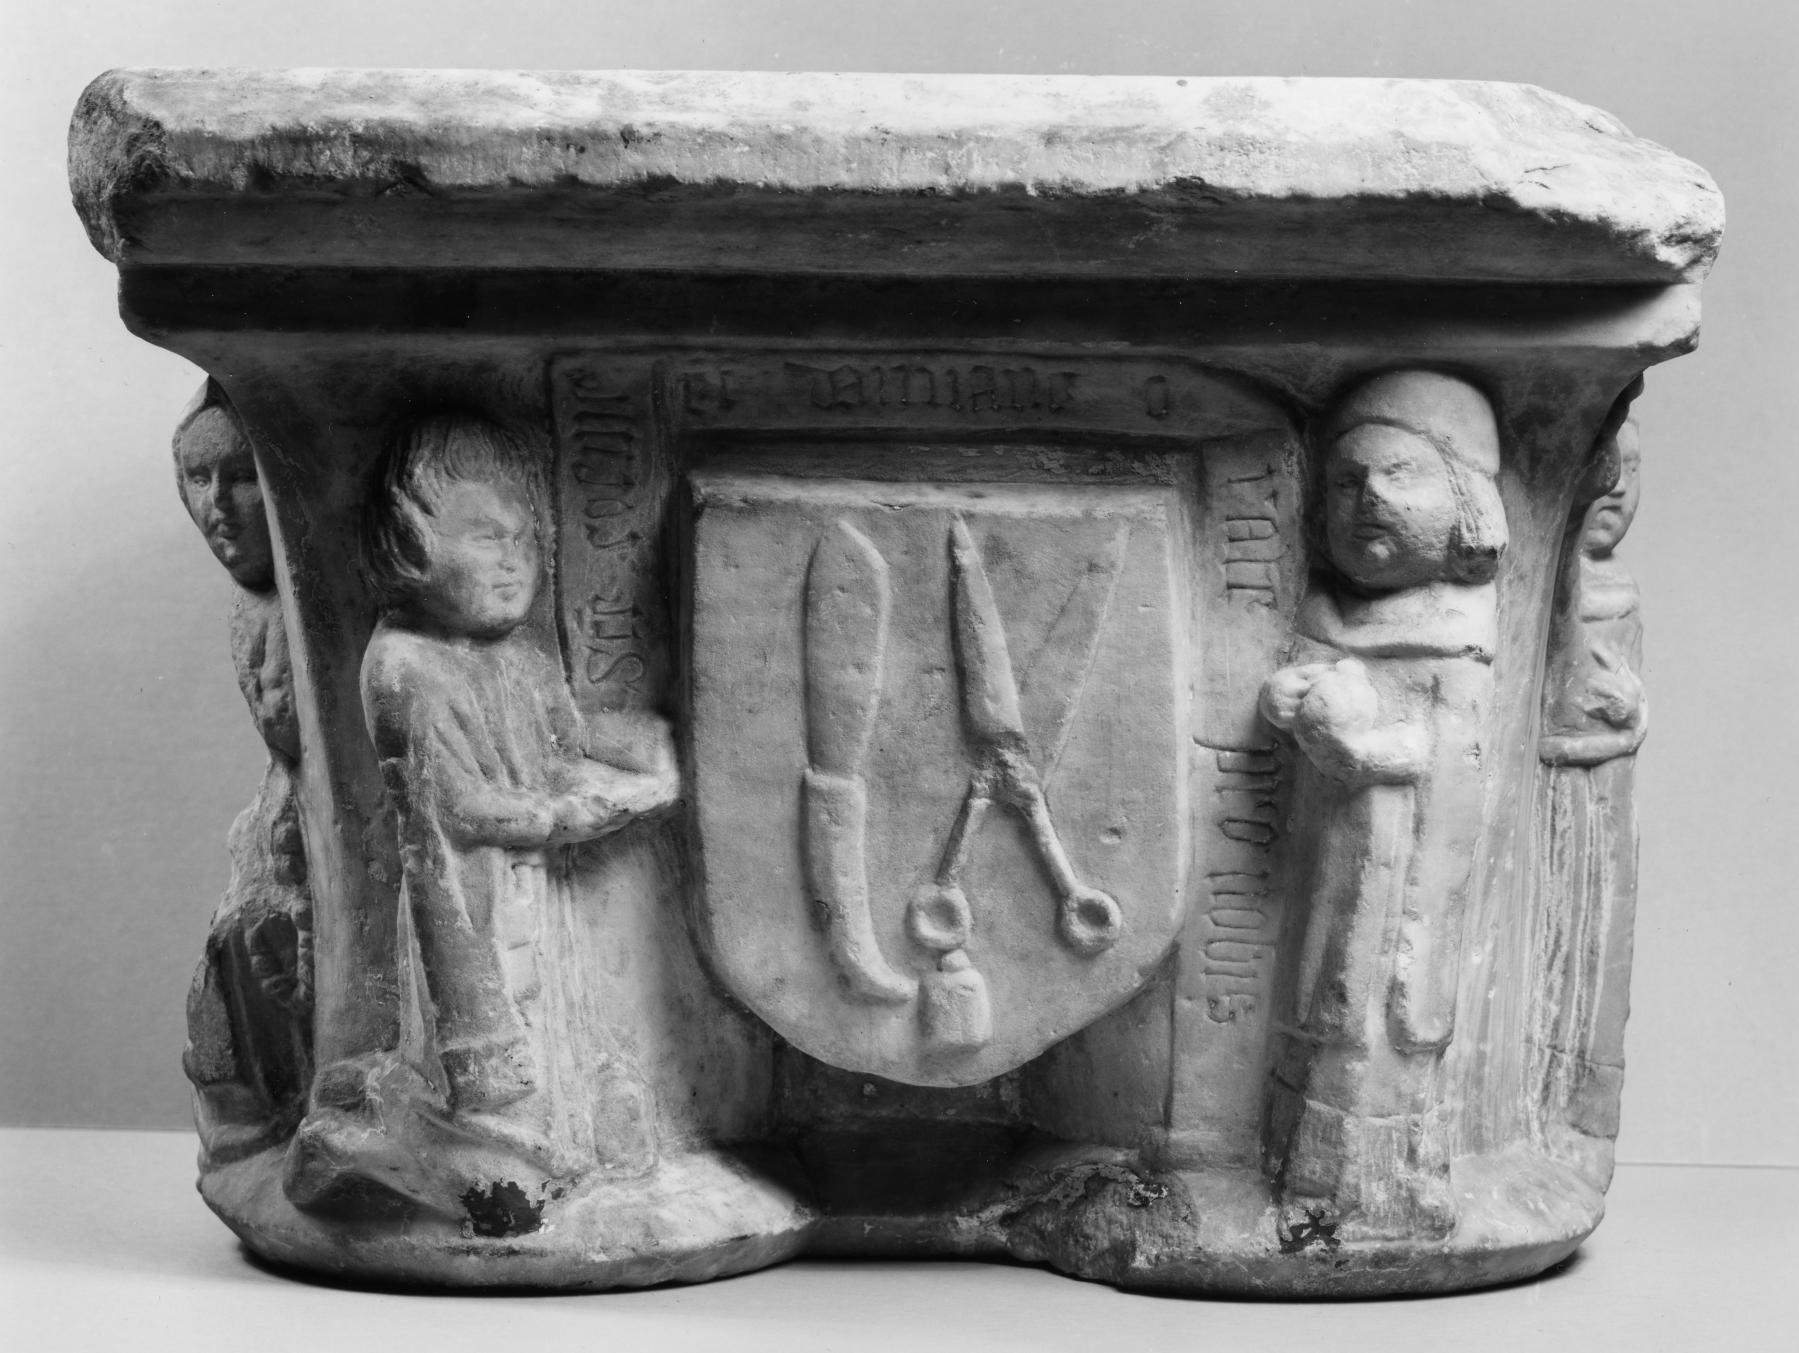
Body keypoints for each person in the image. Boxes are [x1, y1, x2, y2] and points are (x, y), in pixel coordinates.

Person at [357, 414, 679, 1165]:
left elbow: (567, 739)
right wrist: (574, 811)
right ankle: (476, 1161)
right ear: (409, 546)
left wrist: (652, 743)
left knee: (562, 1032)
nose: (512, 563)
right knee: (499, 1077)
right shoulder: (406, 666)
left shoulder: (520, 653)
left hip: (542, 890)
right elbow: (457, 808)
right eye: (485, 540)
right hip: (472, 901)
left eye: (524, 540)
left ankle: (563, 1139)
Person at [1259, 370, 1507, 1240]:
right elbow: (1295, 691)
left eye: (1400, 475)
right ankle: (1311, 1177)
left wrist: (1361, 751)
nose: (1368, 498)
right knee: (1329, 1011)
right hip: (1337, 855)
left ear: (1466, 501)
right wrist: (1284, 701)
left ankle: (1400, 1178)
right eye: (1346, 481)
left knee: (1395, 1017)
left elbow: (1455, 755)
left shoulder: (1458, 626)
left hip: (1412, 872)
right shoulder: (1326, 610)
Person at [173, 381, 314, 1164]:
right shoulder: (254, 602)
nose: (217, 504)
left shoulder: (314, 605)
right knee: (236, 944)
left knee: (264, 940)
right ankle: (266, 1110)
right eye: (199, 478)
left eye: (242, 474)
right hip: (288, 815)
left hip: (337, 831)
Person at [1532, 419, 1646, 1186]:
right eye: (1604, 466)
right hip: (1551, 795)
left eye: (1632, 468)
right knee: (1550, 952)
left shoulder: (1619, 591)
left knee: (1594, 954)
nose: (1617, 485)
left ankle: (1576, 1126)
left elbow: (1620, 702)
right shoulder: (1554, 585)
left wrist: (1627, 715)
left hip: (1604, 802)